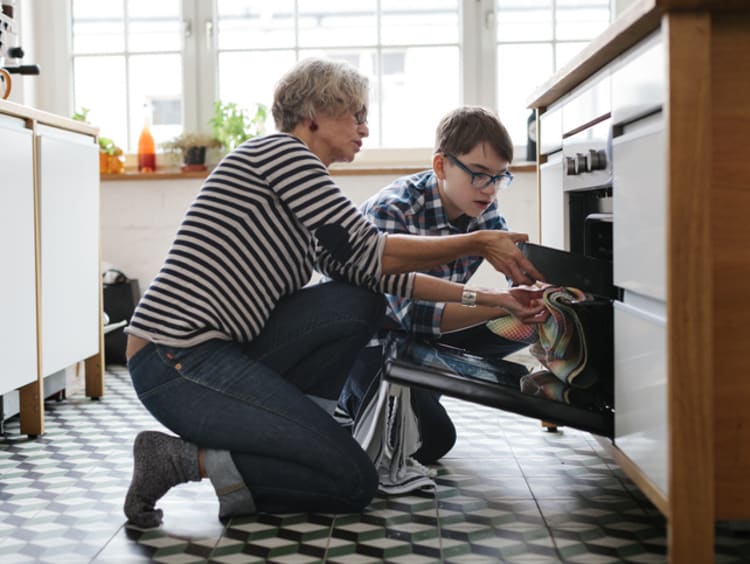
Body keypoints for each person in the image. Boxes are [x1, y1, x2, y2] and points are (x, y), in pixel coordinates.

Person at [122, 58, 545, 529]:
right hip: (176, 358)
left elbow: (378, 277)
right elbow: (373, 251)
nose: (365, 128)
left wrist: (495, 302)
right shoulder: (283, 155)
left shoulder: (306, 186)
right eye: (356, 115)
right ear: (314, 115)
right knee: (352, 482)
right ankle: (179, 460)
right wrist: (476, 242)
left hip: (221, 353)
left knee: (356, 299)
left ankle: (309, 429)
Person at [339, 106, 534, 465]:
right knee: (433, 440)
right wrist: (506, 301)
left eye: (500, 177)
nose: (490, 189)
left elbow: (516, 272)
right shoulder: (392, 210)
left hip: (422, 339)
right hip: (369, 342)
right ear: (442, 166)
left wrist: (540, 297)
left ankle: (420, 386)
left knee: (527, 326)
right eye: (479, 175)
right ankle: (345, 402)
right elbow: (413, 314)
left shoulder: (483, 207)